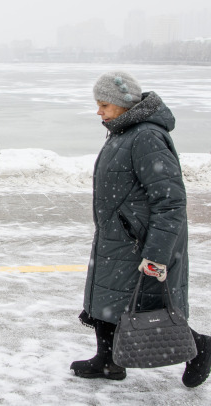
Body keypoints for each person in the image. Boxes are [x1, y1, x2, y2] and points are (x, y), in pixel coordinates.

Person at [70, 71, 211, 387]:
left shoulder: (146, 137)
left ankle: (200, 348)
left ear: (122, 103)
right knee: (110, 300)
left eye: (104, 105)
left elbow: (171, 201)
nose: (99, 112)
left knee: (148, 309)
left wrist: (156, 255)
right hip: (119, 236)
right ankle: (108, 361)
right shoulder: (122, 132)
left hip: (141, 242)